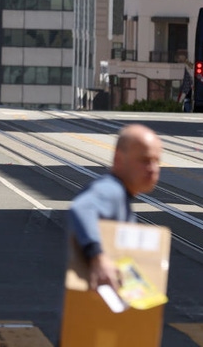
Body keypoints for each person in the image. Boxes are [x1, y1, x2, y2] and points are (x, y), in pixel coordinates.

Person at [67, 123, 162, 291]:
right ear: (119, 159)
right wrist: (98, 257)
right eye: (145, 160)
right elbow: (82, 207)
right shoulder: (111, 190)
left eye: (156, 161)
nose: (153, 169)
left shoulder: (121, 195)